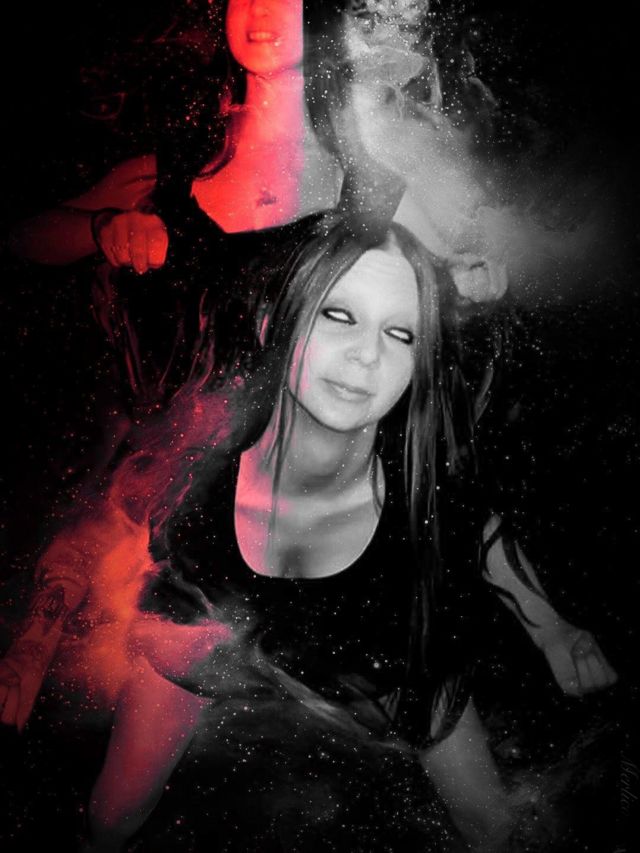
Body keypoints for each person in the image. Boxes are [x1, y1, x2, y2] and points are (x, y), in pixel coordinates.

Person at [80, 218, 519, 851]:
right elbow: (110, 522)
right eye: (339, 315)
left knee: (496, 828)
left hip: (376, 649)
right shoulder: (197, 462)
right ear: (271, 324)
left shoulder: (422, 497)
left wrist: (555, 632)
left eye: (400, 333)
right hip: (207, 628)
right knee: (110, 817)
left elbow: (480, 526)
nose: (367, 355)